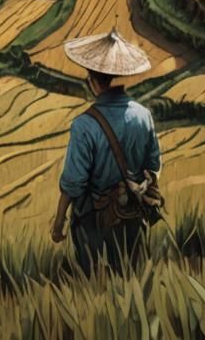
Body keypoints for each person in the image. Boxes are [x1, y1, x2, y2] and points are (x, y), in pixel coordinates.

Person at [50, 28, 162, 275]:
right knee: (133, 284)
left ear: (91, 81)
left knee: (96, 289)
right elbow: (153, 165)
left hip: (95, 225)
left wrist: (59, 222)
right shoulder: (143, 116)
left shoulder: (84, 124)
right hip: (132, 217)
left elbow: (74, 183)